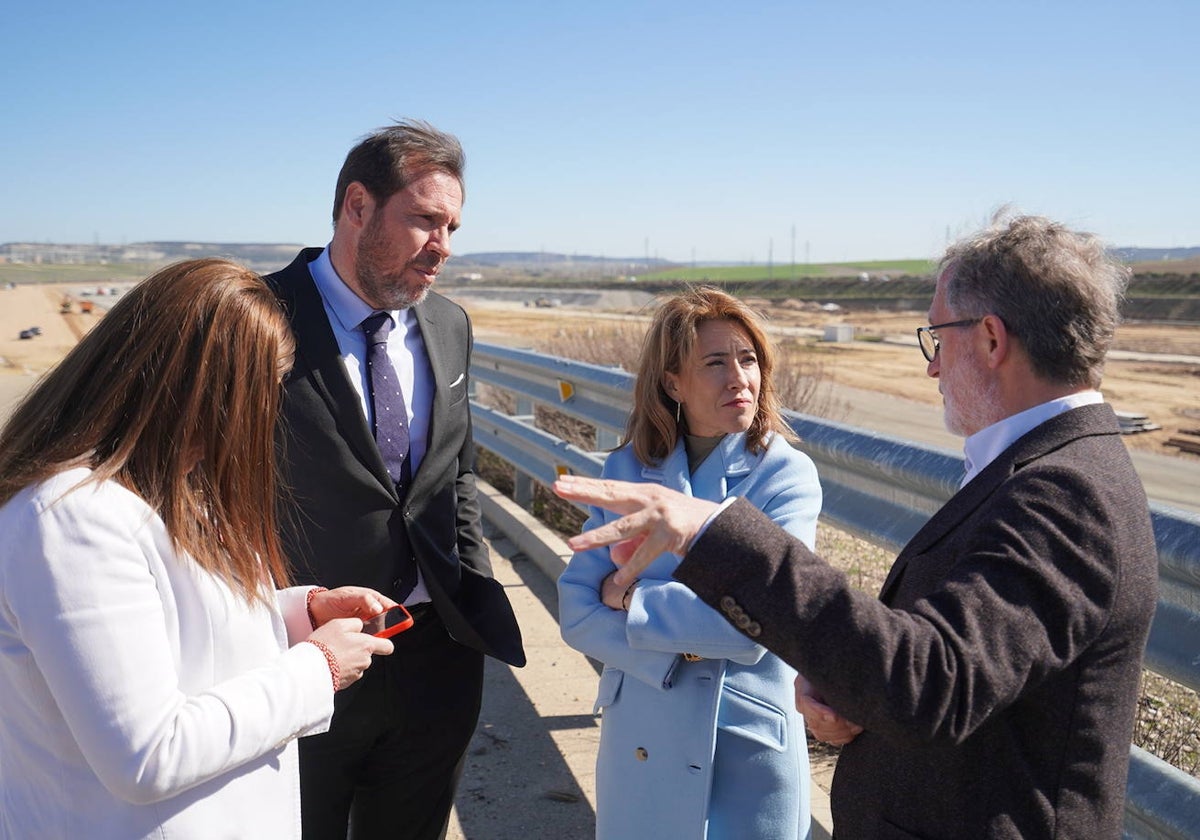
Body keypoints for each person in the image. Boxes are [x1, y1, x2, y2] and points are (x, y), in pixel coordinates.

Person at [555, 215, 1159, 839]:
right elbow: (962, 670)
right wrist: (853, 691)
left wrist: (709, 540)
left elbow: (931, 686)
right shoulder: (1045, 470)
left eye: (936, 339)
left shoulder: (1066, 491)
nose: (932, 367)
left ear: (989, 340)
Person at [0, 259, 395, 839]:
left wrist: (298, 614)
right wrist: (319, 668)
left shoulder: (161, 484)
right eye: (265, 389)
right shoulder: (69, 518)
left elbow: (166, 626)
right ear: (200, 391)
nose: (269, 413)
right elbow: (147, 755)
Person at [265, 119, 525, 840]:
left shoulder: (447, 325)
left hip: (435, 652)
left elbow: (456, 475)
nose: (443, 246)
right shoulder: (256, 320)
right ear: (357, 206)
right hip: (306, 652)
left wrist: (468, 596)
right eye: (424, 220)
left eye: (452, 226)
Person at [558, 287, 821, 839]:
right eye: (716, 363)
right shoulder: (628, 467)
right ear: (673, 381)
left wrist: (631, 599)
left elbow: (762, 622)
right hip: (641, 741)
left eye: (749, 359)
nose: (738, 377)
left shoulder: (783, 475)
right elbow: (578, 609)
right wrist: (672, 655)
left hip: (745, 746)